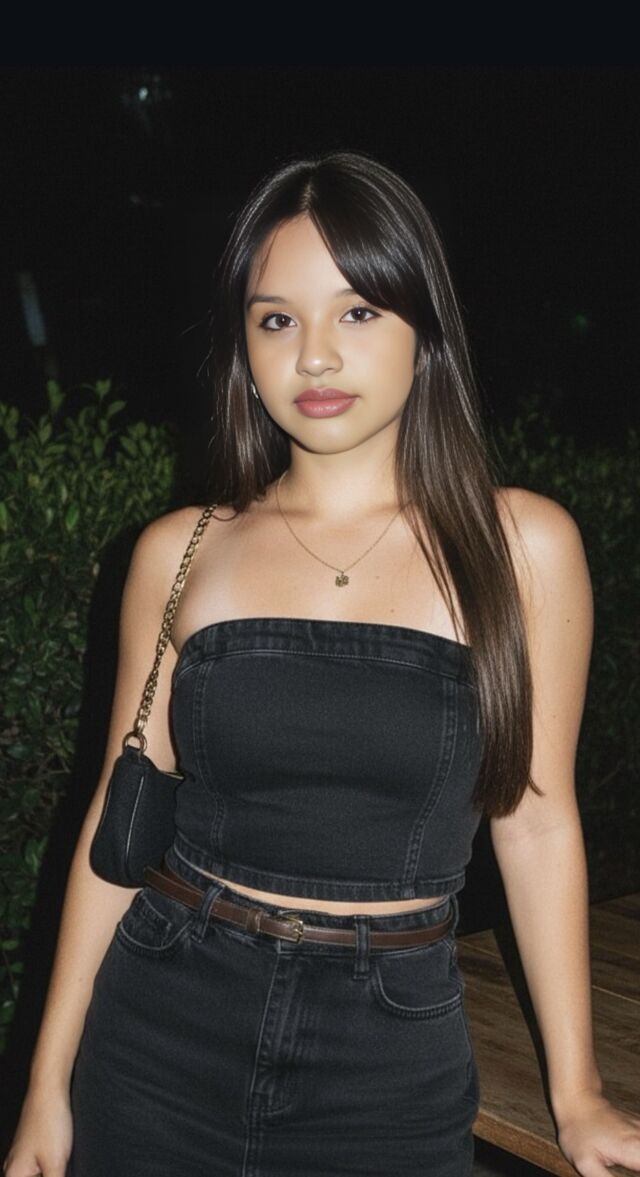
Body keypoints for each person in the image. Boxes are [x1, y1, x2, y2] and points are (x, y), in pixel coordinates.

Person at [5, 149, 640, 1177]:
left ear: (423, 327)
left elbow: (535, 820)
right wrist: (46, 1084)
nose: (313, 357)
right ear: (243, 345)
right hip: (159, 1027)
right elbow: (116, 827)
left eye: (357, 311)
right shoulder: (181, 551)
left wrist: (578, 1095)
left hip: (387, 1054)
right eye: (276, 320)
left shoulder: (522, 546)